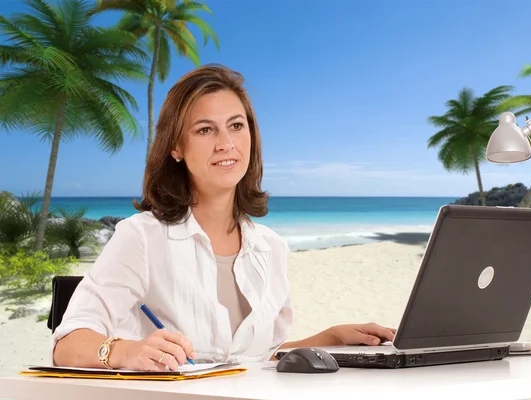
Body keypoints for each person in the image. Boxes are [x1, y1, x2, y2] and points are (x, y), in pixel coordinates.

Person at [52, 64, 395, 372]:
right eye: (205, 130)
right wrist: (126, 352)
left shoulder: (271, 248)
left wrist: (330, 338)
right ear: (176, 147)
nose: (226, 144)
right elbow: (66, 345)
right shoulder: (141, 238)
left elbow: (251, 362)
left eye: (236, 125)